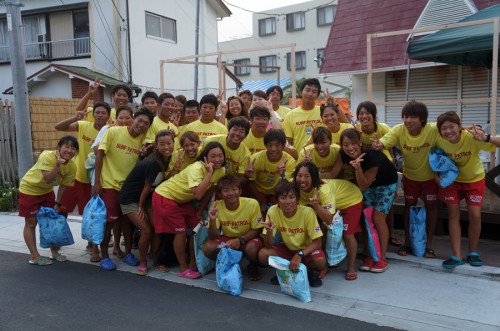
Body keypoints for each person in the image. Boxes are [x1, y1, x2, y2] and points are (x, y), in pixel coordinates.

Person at [373, 101, 440, 258]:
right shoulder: (399, 130)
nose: (408, 120)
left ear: (422, 119)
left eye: (413, 117)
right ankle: (408, 243)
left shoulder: (433, 129)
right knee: (408, 207)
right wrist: (378, 144)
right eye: (405, 116)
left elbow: (450, 127)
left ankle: (429, 245)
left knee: (431, 207)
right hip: (410, 177)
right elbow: (385, 141)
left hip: (430, 178)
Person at [153, 142, 226, 279]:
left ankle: (194, 262)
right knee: (180, 231)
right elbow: (198, 194)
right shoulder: (197, 168)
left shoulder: (221, 170)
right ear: (205, 157)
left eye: (220, 156)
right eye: (213, 156)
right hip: (165, 196)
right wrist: (209, 174)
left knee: (196, 227)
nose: (217, 160)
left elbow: (210, 192)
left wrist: (200, 211)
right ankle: (183, 268)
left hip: (182, 200)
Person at [435, 111, 498, 269]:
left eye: (452, 126)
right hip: (451, 181)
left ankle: (473, 252)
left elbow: (495, 143)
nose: (448, 131)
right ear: (439, 130)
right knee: (453, 213)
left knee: (475, 214)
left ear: (459, 126)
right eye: (444, 128)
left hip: (474, 179)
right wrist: (437, 178)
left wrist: (486, 137)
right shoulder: (437, 139)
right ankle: (457, 255)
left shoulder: (471, 136)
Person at [93, 108, 153, 271]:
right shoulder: (113, 132)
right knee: (109, 223)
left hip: (128, 190)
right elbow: (99, 154)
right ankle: (104, 256)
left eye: (145, 124)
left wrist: (143, 155)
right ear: (133, 119)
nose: (141, 125)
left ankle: (127, 253)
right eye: (139, 120)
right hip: (109, 185)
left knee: (127, 223)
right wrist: (97, 181)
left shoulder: (142, 143)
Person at [334, 128, 398, 273]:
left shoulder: (372, 156)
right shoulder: (343, 154)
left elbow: (364, 185)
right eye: (346, 144)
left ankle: (382, 258)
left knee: (378, 218)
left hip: (386, 185)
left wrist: (357, 169)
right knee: (366, 218)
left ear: (361, 143)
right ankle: (370, 255)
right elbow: (334, 173)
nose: (350, 148)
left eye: (353, 143)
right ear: (341, 145)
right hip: (368, 186)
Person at [120, 130, 175, 275]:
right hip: (131, 200)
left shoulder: (168, 159)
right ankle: (143, 263)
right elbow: (147, 186)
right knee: (146, 230)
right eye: (162, 144)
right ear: (156, 145)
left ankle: (155, 260)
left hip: (147, 198)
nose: (166, 147)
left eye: (169, 143)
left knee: (157, 229)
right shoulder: (153, 163)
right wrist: (140, 206)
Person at [19, 136, 78, 266]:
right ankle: (34, 256)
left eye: (73, 148)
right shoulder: (47, 156)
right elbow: (47, 178)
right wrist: (57, 165)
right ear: (59, 147)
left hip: (46, 192)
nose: (69, 150)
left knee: (51, 221)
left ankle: (54, 252)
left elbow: (63, 185)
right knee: (31, 222)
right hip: (29, 189)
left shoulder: (72, 166)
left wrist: (57, 203)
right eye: (66, 146)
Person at [258, 182, 326, 287]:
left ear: (297, 199)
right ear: (277, 201)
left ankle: (311, 272)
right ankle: (284, 271)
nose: (288, 202)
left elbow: (317, 242)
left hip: (306, 250)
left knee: (320, 261)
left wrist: (300, 254)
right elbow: (268, 245)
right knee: (263, 254)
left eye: (291, 197)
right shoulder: (273, 211)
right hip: (288, 248)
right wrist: (269, 231)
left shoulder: (308, 212)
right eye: (283, 198)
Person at [54, 101, 111, 218]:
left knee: (87, 214)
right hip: (75, 176)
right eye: (97, 112)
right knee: (61, 209)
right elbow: (58, 127)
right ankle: (58, 234)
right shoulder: (84, 125)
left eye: (103, 113)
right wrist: (74, 118)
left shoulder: (110, 132)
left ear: (109, 116)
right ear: (93, 114)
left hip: (93, 180)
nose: (100, 115)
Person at [204, 175, 264, 281]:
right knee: (209, 247)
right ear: (220, 194)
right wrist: (212, 220)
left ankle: (252, 264)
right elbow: (213, 236)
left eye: (234, 189)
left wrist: (240, 240)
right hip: (228, 239)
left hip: (247, 238)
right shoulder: (216, 205)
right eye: (226, 190)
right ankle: (229, 263)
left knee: (252, 249)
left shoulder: (252, 203)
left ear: (240, 191)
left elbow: (257, 229)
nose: (231, 193)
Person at [356, 101, 398, 246]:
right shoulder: (357, 131)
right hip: (367, 173)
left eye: (367, 113)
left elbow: (391, 150)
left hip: (384, 172)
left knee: (386, 208)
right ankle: (369, 241)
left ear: (374, 115)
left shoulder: (383, 128)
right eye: (361, 113)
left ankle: (390, 235)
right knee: (369, 208)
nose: (364, 116)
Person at [246, 129, 296, 214]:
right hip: (258, 191)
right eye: (270, 145)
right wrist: (261, 202)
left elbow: (288, 186)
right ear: (265, 145)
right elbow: (251, 182)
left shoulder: (289, 160)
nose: (273, 149)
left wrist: (282, 175)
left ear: (283, 146)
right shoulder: (256, 158)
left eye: (277, 145)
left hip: (277, 192)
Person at [283, 78, 323, 150]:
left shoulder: (323, 112)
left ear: (317, 95)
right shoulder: (290, 115)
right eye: (307, 90)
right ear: (301, 92)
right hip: (300, 158)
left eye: (314, 91)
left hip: (320, 157)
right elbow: (289, 142)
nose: (310, 94)